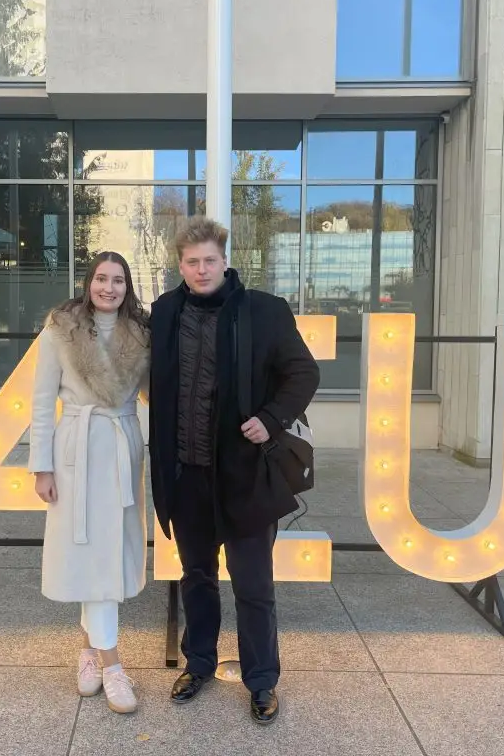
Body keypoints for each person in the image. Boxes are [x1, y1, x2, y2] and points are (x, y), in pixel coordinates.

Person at [147, 217, 320, 725]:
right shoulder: (164, 312)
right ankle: (198, 663)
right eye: (191, 262)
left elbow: (304, 372)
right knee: (196, 577)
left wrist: (271, 419)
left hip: (244, 476)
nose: (201, 270)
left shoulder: (264, 311)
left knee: (254, 586)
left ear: (225, 260)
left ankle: (262, 680)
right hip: (186, 476)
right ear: (180, 265)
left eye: (209, 261)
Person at [28, 251, 151, 715]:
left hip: (121, 447)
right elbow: (41, 402)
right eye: (102, 278)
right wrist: (42, 466)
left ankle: (88, 653)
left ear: (127, 286)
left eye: (119, 280)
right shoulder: (61, 329)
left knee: (107, 555)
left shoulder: (140, 333)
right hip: (75, 450)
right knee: (88, 555)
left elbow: (154, 393)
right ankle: (113, 665)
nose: (109, 288)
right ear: (88, 281)